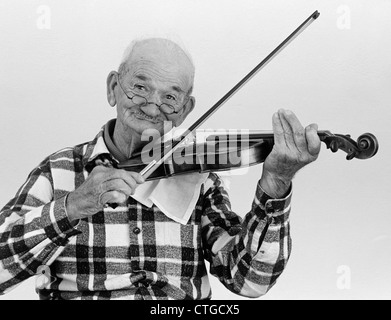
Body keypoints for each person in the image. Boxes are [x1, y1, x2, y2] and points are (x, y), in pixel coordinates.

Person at [0, 38, 321, 300]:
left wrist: (276, 182)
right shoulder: (59, 172)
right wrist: (72, 206)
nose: (152, 106)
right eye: (140, 88)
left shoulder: (197, 177)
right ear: (113, 87)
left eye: (170, 97)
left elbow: (250, 282)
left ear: (185, 111)